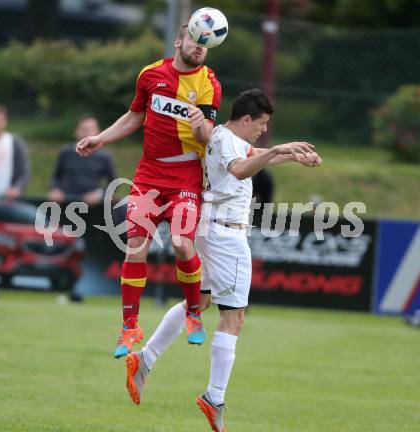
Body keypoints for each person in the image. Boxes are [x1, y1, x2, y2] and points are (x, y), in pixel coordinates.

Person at [124, 90, 322, 431]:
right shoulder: (230, 141)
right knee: (234, 317)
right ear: (246, 119)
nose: (263, 130)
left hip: (208, 228)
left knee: (200, 301)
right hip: (227, 235)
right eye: (261, 124)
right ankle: (214, 396)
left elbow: (252, 154)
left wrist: (289, 153)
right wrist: (278, 149)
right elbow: (242, 168)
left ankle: (145, 358)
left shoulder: (222, 135)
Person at [76, 24, 222, 359]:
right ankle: (130, 326)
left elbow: (206, 137)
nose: (199, 48)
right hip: (149, 174)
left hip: (185, 175)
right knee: (135, 247)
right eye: (194, 41)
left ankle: (193, 313)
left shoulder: (209, 83)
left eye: (205, 45)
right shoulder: (151, 74)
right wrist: (101, 138)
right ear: (179, 41)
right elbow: (133, 116)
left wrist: (200, 122)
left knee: (182, 245)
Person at [48, 115, 116, 205]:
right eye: (84, 130)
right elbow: (56, 176)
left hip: (93, 206)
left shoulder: (104, 156)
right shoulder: (66, 152)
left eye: (90, 130)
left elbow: (113, 182)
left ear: (98, 132)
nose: (87, 134)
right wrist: (56, 189)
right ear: (76, 131)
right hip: (66, 202)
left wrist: (98, 194)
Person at [0, 104, 30, 201]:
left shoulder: (15, 143)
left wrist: (17, 188)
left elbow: (24, 172)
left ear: (5, 122)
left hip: (10, 200)